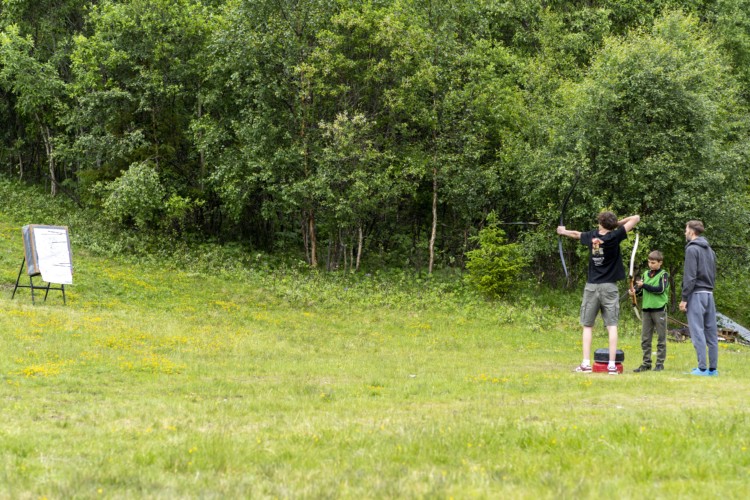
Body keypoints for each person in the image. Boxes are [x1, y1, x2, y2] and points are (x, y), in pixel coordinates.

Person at [557, 212, 641, 375]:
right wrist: (616, 225)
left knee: (588, 326)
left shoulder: (592, 236)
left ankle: (586, 364)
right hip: (609, 287)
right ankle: (611, 365)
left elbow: (575, 234)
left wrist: (563, 231)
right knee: (612, 326)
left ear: (600, 223)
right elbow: (636, 218)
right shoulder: (616, 235)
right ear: (612, 224)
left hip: (592, 286)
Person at [679, 220, 718, 376]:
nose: (684, 232)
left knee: (697, 331)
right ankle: (712, 369)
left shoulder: (692, 250)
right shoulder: (710, 251)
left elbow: (690, 276)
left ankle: (702, 368)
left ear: (692, 231)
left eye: (685, 229)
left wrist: (684, 298)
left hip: (696, 294)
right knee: (711, 332)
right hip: (709, 294)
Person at [630, 251, 670, 372]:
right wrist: (634, 292)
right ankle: (646, 363)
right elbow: (642, 292)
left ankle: (659, 364)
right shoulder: (645, 274)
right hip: (646, 309)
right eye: (649, 262)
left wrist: (644, 285)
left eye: (653, 262)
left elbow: (660, 289)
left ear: (660, 262)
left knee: (661, 338)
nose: (650, 265)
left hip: (659, 309)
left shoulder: (664, 275)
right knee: (645, 338)